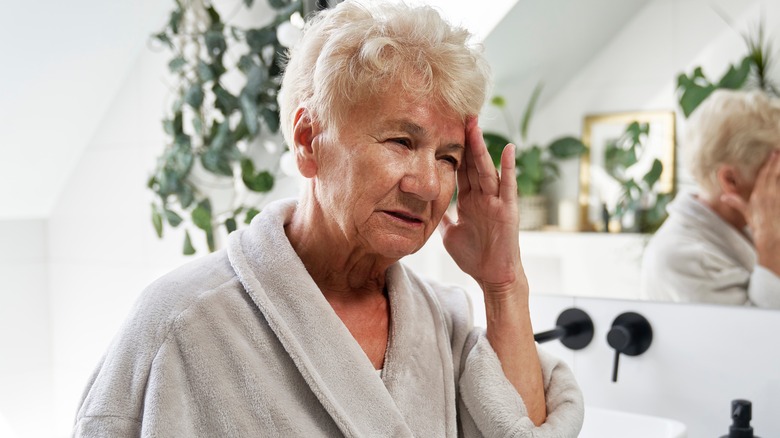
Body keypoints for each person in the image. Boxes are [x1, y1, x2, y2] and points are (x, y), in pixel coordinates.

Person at [73, 1, 584, 436]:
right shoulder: (181, 323)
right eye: (401, 142)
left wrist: (503, 285)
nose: (428, 185)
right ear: (307, 139)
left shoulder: (441, 322)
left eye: (447, 158)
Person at [641, 89, 780, 308]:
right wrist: (771, 249)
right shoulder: (680, 258)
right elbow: (756, 338)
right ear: (730, 180)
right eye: (776, 177)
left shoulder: (753, 223)